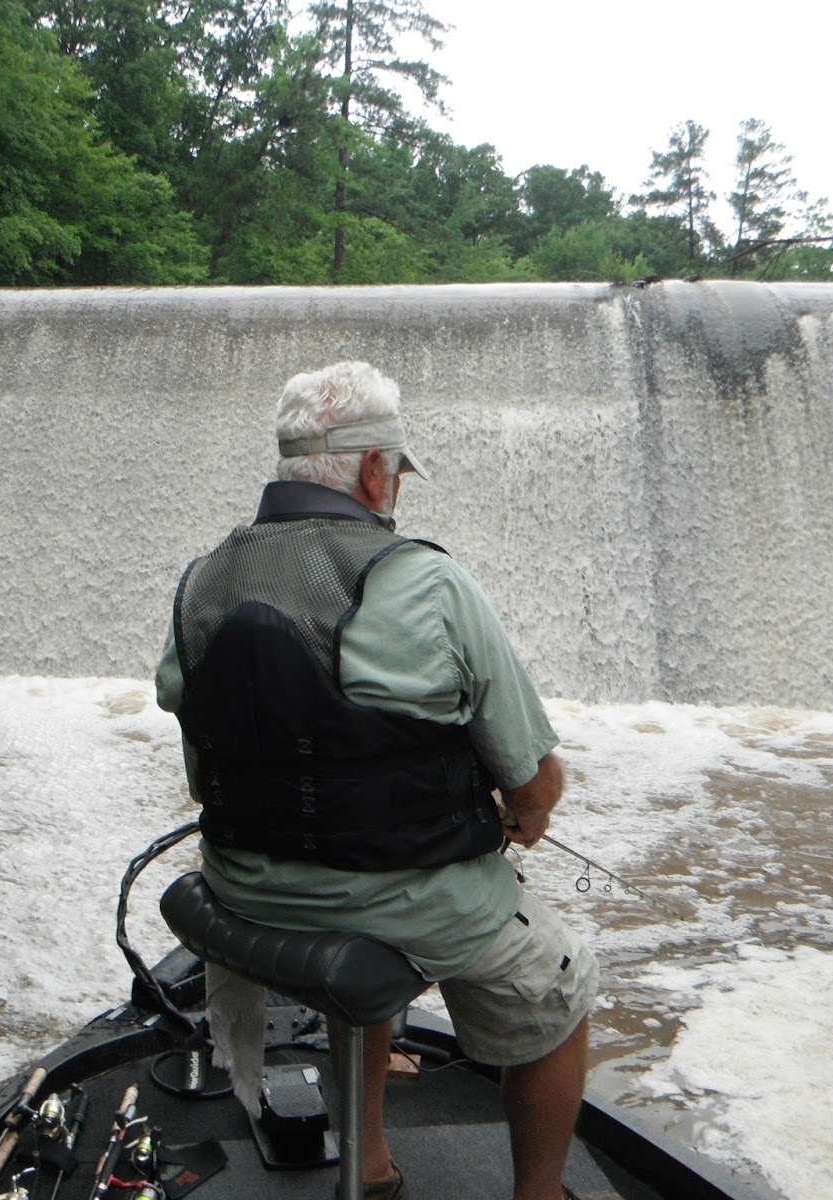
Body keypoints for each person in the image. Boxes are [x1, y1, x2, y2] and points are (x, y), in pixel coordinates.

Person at [154, 360, 597, 1200]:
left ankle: (369, 1160)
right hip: (403, 902)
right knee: (558, 982)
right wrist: (522, 820)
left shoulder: (203, 580)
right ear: (370, 470)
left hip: (242, 888)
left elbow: (204, 763)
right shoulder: (429, 581)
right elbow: (535, 782)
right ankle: (541, 1193)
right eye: (394, 470)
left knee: (359, 929)